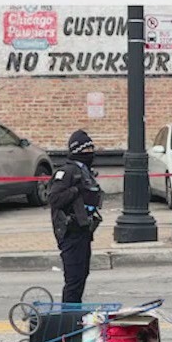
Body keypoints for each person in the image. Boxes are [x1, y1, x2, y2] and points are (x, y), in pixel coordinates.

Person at [48, 130, 103, 304]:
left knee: (82, 274)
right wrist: (76, 190)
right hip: (70, 232)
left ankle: (75, 314)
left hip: (83, 231)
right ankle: (69, 319)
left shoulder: (86, 172)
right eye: (86, 150)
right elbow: (54, 198)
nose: (90, 153)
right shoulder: (67, 173)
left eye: (91, 149)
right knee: (73, 279)